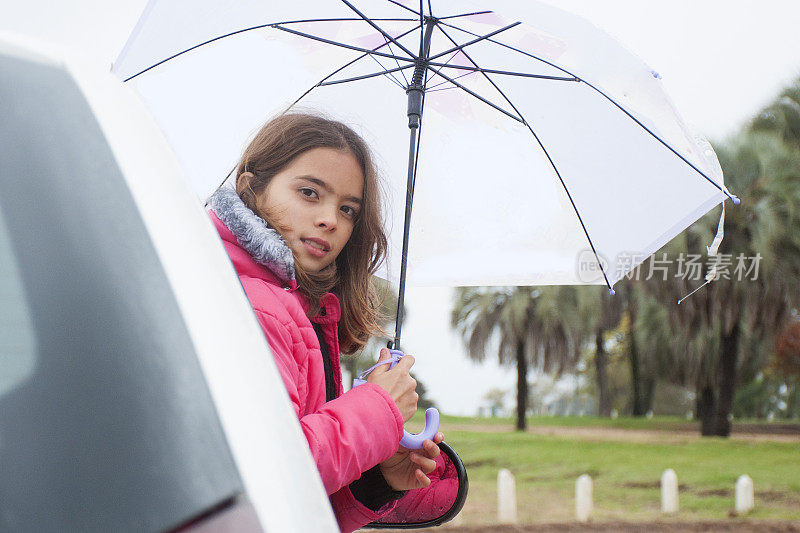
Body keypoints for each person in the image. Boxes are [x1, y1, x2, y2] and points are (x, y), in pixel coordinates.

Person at [207, 112, 446, 532]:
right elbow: (270, 475)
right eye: (309, 192)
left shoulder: (297, 309)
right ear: (251, 188)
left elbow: (296, 508)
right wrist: (377, 408)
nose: (330, 220)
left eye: (348, 209)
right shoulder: (253, 305)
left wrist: (379, 478)